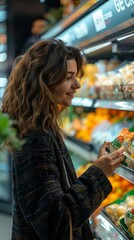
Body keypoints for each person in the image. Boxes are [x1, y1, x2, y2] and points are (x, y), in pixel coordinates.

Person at [2, 39, 124, 240]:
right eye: (69, 77)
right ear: (45, 80)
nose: (77, 84)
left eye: (76, 76)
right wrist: (98, 173)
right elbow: (54, 223)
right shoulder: (36, 139)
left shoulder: (41, 127)